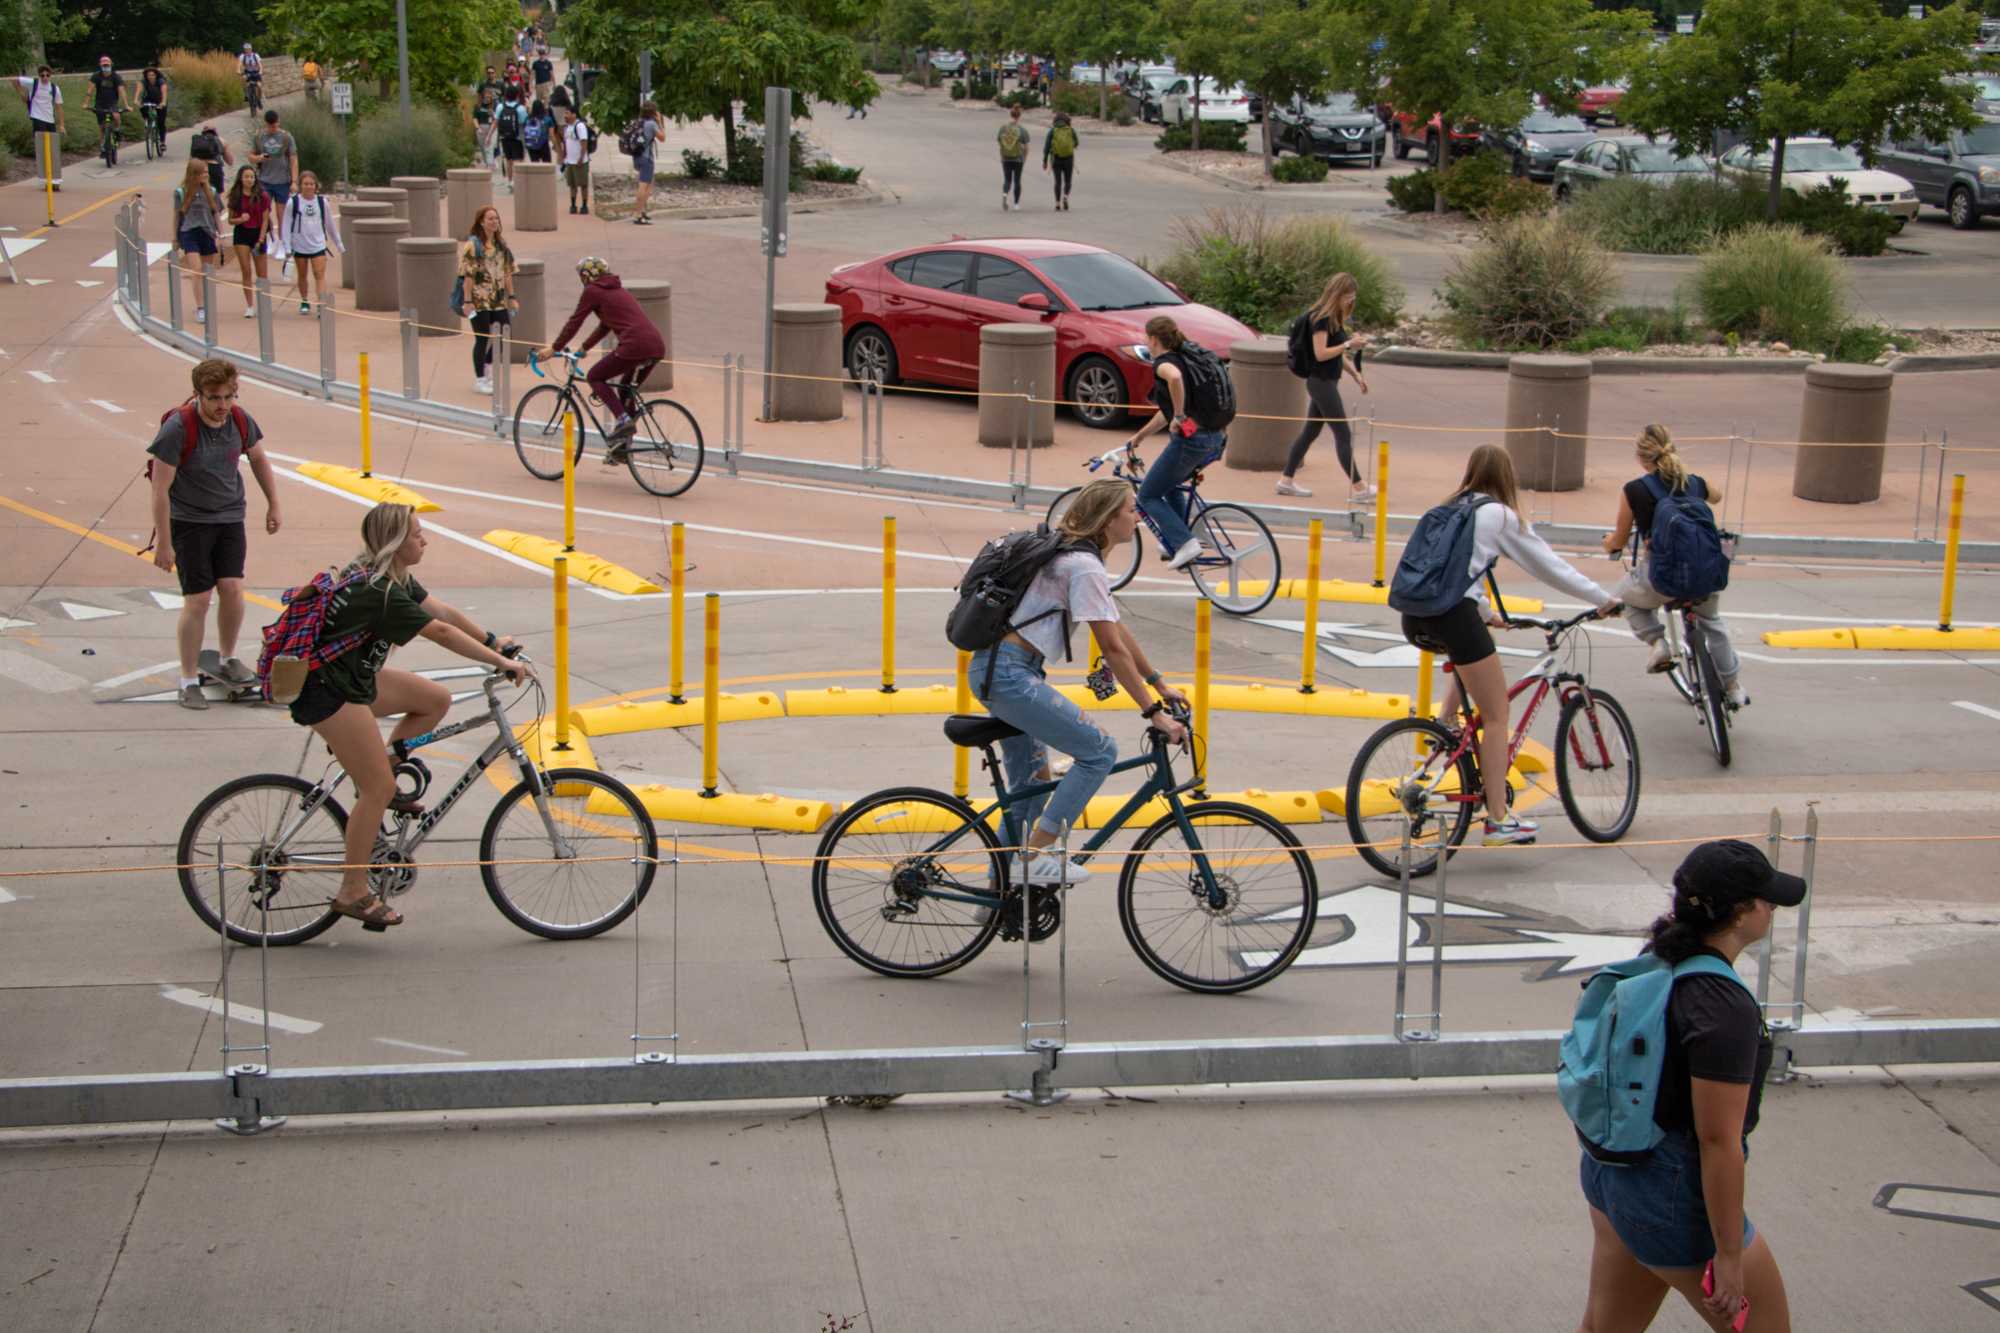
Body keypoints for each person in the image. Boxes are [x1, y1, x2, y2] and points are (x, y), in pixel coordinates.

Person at [1575, 840, 1800, 1332]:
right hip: (1670, 1198)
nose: (1773, 907)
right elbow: (1717, 1142)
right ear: (1740, 915)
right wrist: (1729, 1256)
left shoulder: (1659, 959)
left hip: (1612, 1172)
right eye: (1765, 899)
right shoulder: (1722, 1007)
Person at [288, 503, 531, 930]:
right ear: (398, 543)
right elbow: (439, 633)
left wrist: (494, 640)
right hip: (327, 692)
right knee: (376, 789)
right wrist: (501, 663)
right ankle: (353, 891)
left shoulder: (388, 576)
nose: (424, 540)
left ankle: (381, 769)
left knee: (434, 699)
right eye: (418, 534)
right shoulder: (379, 593)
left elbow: (444, 613)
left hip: (352, 681)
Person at [968, 478, 1188, 885]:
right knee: (1100, 751)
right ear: (1107, 520)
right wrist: (1154, 712)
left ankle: (1004, 897)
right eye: (1129, 509)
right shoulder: (1083, 567)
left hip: (1002, 671)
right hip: (1010, 676)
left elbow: (1118, 631)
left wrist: (1158, 683)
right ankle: (1033, 858)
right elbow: (1111, 648)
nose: (1136, 516)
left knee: (1031, 789)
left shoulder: (1076, 559)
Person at [1402, 444, 1619, 846]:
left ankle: (1445, 726)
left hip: (1414, 615)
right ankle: (1498, 821)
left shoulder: (1449, 507)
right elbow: (1550, 566)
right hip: (1452, 615)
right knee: (1498, 712)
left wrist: (1485, 611)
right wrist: (1602, 599)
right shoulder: (1499, 515)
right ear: (1506, 477)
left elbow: (1450, 571)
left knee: (1472, 659)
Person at [147, 359, 282, 710]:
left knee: (234, 589)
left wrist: (273, 504)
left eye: (229, 396)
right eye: (214, 398)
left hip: (229, 517)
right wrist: (164, 543)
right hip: (189, 522)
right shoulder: (178, 428)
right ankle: (189, 678)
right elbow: (160, 490)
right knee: (198, 600)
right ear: (198, 396)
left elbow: (259, 460)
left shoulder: (239, 420)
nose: (223, 405)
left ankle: (226, 656)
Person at [1602, 425, 1748, 709]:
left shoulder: (1634, 490)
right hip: (1705, 572)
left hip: (1660, 577)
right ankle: (1733, 686)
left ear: (1641, 459)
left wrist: (1609, 544)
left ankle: (1658, 643)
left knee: (1625, 600)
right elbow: (1717, 496)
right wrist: (1696, 486)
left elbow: (1618, 539)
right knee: (1712, 623)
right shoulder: (1694, 482)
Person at [1121, 316, 1228, 570]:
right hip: (1215, 438)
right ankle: (1181, 535)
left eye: (1147, 338)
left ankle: (1184, 542)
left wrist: (1179, 416)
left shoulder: (1164, 363)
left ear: (1154, 339)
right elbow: (1165, 413)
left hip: (1193, 441)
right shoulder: (1188, 359)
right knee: (1169, 484)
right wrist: (1139, 437)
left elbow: (1175, 379)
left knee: (1147, 495)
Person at [546, 256, 666, 458]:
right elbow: (605, 325)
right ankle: (623, 448)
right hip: (655, 346)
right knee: (626, 392)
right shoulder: (618, 290)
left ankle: (622, 421)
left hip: (633, 346)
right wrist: (584, 348)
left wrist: (554, 347)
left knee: (594, 376)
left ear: (586, 276)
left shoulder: (592, 291)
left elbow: (575, 321)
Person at [1280, 272, 1375, 502]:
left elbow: (1338, 355)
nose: (1350, 301)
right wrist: (1348, 343)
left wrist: (1355, 375)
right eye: (1347, 296)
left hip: (1325, 381)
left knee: (1309, 433)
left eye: (1353, 297)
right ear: (1337, 294)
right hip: (1320, 382)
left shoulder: (1332, 318)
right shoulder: (1321, 319)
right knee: (1342, 433)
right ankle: (1360, 487)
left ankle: (1286, 481)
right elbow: (1321, 354)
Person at [460, 204, 519, 395]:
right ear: (481, 222)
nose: (494, 222)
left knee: (504, 333)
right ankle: (480, 379)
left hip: (498, 299)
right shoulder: (473, 245)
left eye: (496, 218)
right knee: (482, 338)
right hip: (479, 300)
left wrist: (512, 297)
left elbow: (508, 272)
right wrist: (468, 301)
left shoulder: (502, 245)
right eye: (490, 219)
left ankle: (486, 365)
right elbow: (467, 275)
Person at [279, 170, 342, 314]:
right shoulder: (292, 202)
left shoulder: (322, 202)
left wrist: (338, 243)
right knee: (302, 274)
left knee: (319, 274)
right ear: (300, 185)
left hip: (318, 244)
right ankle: (304, 300)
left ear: (316, 185)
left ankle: (321, 304)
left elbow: (330, 224)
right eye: (306, 184)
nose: (309, 186)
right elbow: (286, 225)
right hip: (300, 244)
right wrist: (287, 247)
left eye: (311, 184)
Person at [173, 160, 224, 322]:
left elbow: (216, 213)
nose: (206, 175)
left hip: (207, 232)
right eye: (203, 172)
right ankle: (200, 307)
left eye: (207, 172)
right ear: (194, 174)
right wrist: (174, 237)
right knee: (196, 269)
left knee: (207, 271)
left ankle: (207, 302)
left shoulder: (212, 191)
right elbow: (176, 215)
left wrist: (220, 235)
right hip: (189, 232)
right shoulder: (181, 192)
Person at [224, 165, 273, 320]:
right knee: (246, 270)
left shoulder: (262, 196)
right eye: (246, 176)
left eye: (252, 177)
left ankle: (263, 302)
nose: (249, 179)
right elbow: (231, 220)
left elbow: (266, 219)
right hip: (242, 234)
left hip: (258, 233)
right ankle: (250, 305)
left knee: (262, 273)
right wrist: (240, 219)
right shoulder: (235, 196)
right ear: (241, 178)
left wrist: (261, 238)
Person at [15, 65, 64, 190]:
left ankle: (55, 180)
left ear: (50, 76)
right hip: (37, 118)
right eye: (42, 75)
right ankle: (45, 180)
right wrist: (23, 95)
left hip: (50, 120)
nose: (45, 78)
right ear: (39, 75)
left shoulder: (54, 88)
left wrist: (62, 125)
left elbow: (59, 107)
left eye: (47, 75)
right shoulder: (33, 83)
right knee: (42, 150)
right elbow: (15, 79)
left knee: (53, 151)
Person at [249, 108, 297, 210]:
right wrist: (259, 158)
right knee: (263, 212)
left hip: (283, 181)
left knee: (282, 215)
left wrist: (294, 181)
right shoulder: (259, 137)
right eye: (271, 126)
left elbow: (293, 159)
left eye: (276, 126)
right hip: (264, 181)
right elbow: (251, 157)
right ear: (266, 124)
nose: (274, 128)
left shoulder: (286, 137)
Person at [630, 99, 664, 224]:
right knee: (644, 186)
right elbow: (662, 138)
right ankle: (637, 214)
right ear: (653, 112)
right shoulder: (651, 124)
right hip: (646, 158)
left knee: (646, 185)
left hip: (637, 156)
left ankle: (642, 210)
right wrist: (659, 122)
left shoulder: (638, 122)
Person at [88, 55, 129, 154]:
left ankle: (117, 131)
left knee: (116, 116)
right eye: (104, 65)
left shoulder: (116, 77)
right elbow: (90, 90)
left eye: (107, 65)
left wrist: (126, 105)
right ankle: (102, 146)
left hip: (112, 102)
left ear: (111, 65)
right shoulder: (96, 76)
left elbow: (122, 91)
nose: (105, 67)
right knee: (102, 127)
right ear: (100, 65)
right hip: (100, 103)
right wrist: (86, 103)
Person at [560, 105, 593, 214]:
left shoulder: (579, 126)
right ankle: (573, 204)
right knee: (572, 184)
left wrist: (581, 157)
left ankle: (584, 205)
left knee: (583, 184)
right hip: (570, 161)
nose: (565, 116)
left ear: (574, 114)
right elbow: (566, 143)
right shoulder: (567, 127)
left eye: (567, 113)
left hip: (580, 161)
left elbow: (584, 142)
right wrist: (564, 157)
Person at [1042, 110, 1077, 209]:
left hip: (1056, 158)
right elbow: (1076, 142)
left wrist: (1044, 161)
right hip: (1068, 158)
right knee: (1068, 181)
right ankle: (1065, 196)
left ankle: (1057, 203)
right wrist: (1070, 146)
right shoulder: (1070, 130)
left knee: (1057, 182)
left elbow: (1047, 147)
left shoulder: (1052, 131)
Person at [997, 103, 1028, 210]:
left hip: (1005, 157)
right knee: (1017, 181)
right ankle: (1016, 204)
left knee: (1007, 180)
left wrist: (1002, 154)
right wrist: (1024, 158)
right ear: (1019, 116)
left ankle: (1005, 194)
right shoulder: (1022, 130)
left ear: (1011, 115)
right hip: (1018, 159)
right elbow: (1026, 147)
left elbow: (1000, 142)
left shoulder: (1003, 128)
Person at [495, 87, 527, 186]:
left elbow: (496, 121)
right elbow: (523, 122)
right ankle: (518, 181)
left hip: (504, 137)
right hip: (518, 137)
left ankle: (510, 181)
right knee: (518, 159)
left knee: (509, 160)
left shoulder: (500, 107)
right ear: (517, 96)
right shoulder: (520, 108)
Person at [189, 123, 231, 193]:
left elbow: (191, 159)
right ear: (215, 131)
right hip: (215, 168)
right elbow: (230, 161)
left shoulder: (197, 141)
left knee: (197, 194)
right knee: (216, 195)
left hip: (199, 169)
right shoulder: (221, 141)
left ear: (203, 131)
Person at [138, 65, 169, 155]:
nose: (151, 76)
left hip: (160, 100)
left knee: (161, 122)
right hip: (148, 100)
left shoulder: (161, 81)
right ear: (146, 76)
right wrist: (136, 99)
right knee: (142, 107)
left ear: (156, 75)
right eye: (149, 75)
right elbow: (139, 89)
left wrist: (163, 102)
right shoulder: (144, 81)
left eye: (152, 75)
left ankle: (162, 142)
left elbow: (164, 91)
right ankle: (147, 120)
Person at [522, 99, 555, 164]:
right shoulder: (547, 119)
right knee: (546, 165)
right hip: (544, 144)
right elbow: (551, 135)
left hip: (531, 145)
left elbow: (525, 131)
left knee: (535, 165)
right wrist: (555, 145)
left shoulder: (527, 119)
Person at [473, 88, 498, 169]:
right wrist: (477, 128)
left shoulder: (494, 106)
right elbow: (475, 118)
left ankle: (490, 164)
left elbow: (496, 119)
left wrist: (492, 114)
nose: (487, 99)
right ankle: (487, 163)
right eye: (485, 97)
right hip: (481, 127)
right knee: (483, 147)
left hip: (492, 127)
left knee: (490, 146)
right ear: (482, 97)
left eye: (489, 97)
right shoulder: (477, 106)